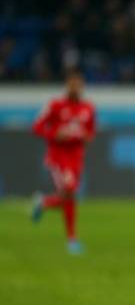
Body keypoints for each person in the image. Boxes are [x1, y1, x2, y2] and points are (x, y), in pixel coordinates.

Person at [31, 69, 96, 255]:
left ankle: (43, 202)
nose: (75, 87)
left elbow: (91, 132)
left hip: (76, 158)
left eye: (79, 84)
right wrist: (54, 134)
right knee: (68, 191)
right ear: (67, 85)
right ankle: (72, 239)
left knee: (69, 195)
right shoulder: (55, 105)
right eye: (72, 83)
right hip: (58, 157)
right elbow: (36, 127)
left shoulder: (88, 108)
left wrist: (85, 136)